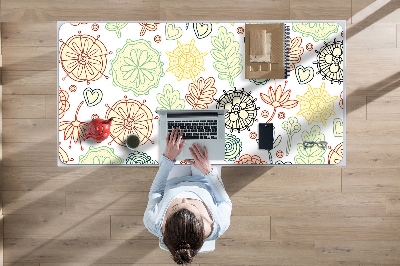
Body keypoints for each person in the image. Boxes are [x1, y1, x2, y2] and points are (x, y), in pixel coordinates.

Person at [144, 127, 232, 264]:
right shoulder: (220, 224)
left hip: (173, 181)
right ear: (204, 222)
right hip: (205, 180)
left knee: (173, 140)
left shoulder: (153, 222)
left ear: (165, 224)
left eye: (176, 206)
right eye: (192, 205)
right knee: (208, 134)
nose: (184, 198)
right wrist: (208, 171)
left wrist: (168, 159)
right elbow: (224, 202)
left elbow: (156, 192)